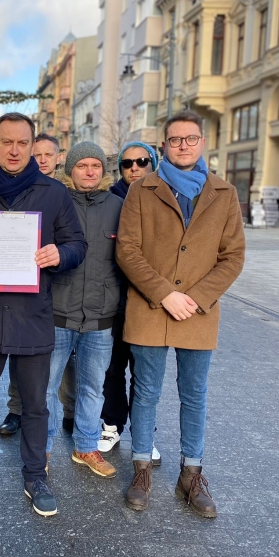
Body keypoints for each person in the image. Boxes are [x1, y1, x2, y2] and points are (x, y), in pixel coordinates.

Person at [0, 113, 87, 520]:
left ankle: (35, 477)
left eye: (22, 143)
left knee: (35, 407)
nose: (14, 150)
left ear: (32, 146)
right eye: (6, 142)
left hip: (31, 317)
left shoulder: (53, 194)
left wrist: (60, 254)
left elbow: (77, 244)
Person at [117, 111, 245, 518]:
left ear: (202, 142)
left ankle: (191, 474)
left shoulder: (224, 193)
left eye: (191, 139)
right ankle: (141, 470)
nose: (183, 145)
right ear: (164, 146)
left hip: (198, 312)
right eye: (175, 140)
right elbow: (127, 250)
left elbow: (233, 256)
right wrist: (164, 294)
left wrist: (196, 297)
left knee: (194, 395)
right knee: (145, 392)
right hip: (151, 308)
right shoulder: (142, 190)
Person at [44, 142, 123, 477]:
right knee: (46, 386)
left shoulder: (118, 206)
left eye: (95, 166)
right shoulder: (54, 202)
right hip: (58, 311)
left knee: (93, 387)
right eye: (82, 165)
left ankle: (86, 446)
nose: (89, 171)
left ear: (103, 171)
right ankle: (42, 449)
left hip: (101, 314)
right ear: (70, 170)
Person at [0, 132, 74, 438]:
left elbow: (75, 242)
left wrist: (61, 254)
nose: (42, 160)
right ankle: (16, 410)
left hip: (62, 290)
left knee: (63, 363)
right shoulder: (18, 190)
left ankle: (66, 410)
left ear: (59, 157)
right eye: (37, 154)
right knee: (21, 355)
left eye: (48, 154)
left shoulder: (65, 193)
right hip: (23, 288)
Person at [101, 141, 162, 460]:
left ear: (153, 163)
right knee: (111, 369)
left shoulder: (164, 198)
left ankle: (143, 433)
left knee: (144, 373)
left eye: (141, 161)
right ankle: (111, 423)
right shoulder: (109, 200)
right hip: (112, 300)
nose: (134, 168)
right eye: (127, 163)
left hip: (148, 302)